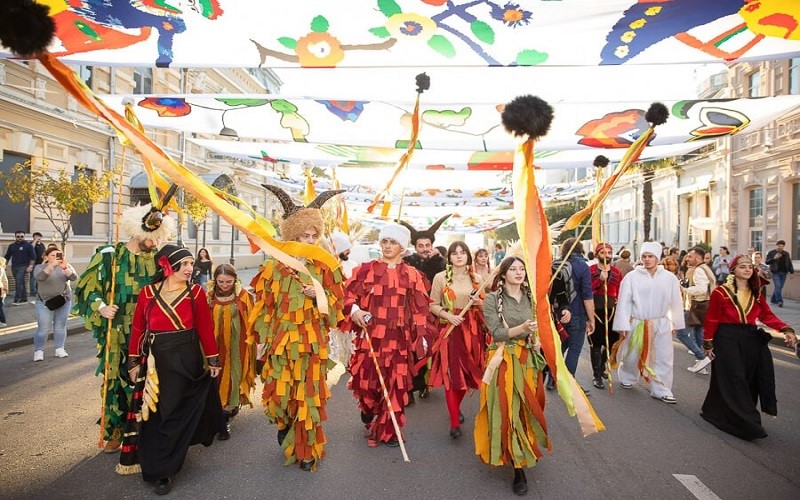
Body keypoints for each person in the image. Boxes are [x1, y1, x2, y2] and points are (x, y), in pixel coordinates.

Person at [251, 186, 345, 471]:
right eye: (305, 236)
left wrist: (319, 295)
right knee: (280, 396)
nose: (311, 241)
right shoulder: (273, 268)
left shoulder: (325, 267)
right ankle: (285, 425)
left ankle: (307, 451)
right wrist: (262, 340)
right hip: (280, 346)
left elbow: (337, 306)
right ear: (292, 236)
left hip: (311, 346)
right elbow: (263, 308)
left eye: (315, 235)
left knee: (308, 398)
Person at [73, 203, 173, 455]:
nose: (155, 244)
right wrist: (102, 307)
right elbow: (86, 289)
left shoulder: (157, 260)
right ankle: (115, 431)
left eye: (157, 239)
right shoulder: (109, 256)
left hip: (149, 332)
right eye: (152, 239)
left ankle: (144, 429)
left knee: (149, 378)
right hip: (117, 331)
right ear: (138, 233)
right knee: (116, 379)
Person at [128, 244, 225, 495]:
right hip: (156, 362)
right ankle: (159, 464)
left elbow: (205, 327)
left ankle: (167, 467)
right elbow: (138, 328)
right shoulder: (148, 293)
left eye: (191, 263)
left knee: (176, 410)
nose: (190, 268)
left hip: (187, 358)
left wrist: (213, 360)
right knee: (157, 412)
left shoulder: (196, 293)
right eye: (184, 264)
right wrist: (133, 362)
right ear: (167, 266)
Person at [343, 223, 432, 448]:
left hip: (399, 341)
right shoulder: (365, 270)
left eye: (393, 242)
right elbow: (348, 295)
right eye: (384, 241)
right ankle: (368, 407)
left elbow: (420, 309)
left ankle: (389, 430)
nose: (388, 246)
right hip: (370, 339)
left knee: (395, 384)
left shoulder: (412, 275)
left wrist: (421, 336)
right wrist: (355, 311)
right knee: (366, 383)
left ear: (402, 247)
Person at [700, 254, 797, 440]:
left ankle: (716, 410)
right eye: (742, 266)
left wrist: (786, 329)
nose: (747, 269)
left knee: (747, 378)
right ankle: (747, 422)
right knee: (734, 377)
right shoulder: (720, 292)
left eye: (750, 267)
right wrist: (708, 341)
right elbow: (712, 318)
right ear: (733, 270)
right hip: (726, 338)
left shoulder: (756, 292)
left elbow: (766, 315)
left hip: (750, 339)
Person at [474, 256, 546, 496]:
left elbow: (540, 327)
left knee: (525, 409)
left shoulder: (531, 297)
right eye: (513, 269)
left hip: (527, 362)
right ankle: (517, 467)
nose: (518, 272)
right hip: (503, 361)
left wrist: (537, 338)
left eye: (521, 269)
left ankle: (522, 448)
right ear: (503, 274)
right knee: (508, 410)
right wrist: (522, 328)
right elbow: (496, 333)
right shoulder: (492, 299)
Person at [612, 242, 685, 404]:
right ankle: (628, 376)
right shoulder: (632, 277)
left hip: (661, 323)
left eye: (650, 256)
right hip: (638, 322)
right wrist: (623, 324)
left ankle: (662, 389)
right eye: (644, 256)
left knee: (663, 357)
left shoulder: (670, 278)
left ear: (657, 258)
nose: (647, 259)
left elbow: (676, 301)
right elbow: (624, 302)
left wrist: (676, 322)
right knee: (632, 354)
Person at [428, 241, 486, 439]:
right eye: (455, 253)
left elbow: (485, 306)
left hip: (471, 331)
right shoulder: (440, 277)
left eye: (463, 252)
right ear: (449, 257)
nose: (459, 256)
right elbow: (432, 305)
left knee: (466, 375)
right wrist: (448, 316)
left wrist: (479, 302)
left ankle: (456, 407)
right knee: (452, 376)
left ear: (468, 256)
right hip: (450, 330)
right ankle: (454, 423)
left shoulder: (477, 278)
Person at [398, 215, 450, 402]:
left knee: (426, 349)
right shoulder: (406, 262)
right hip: (409, 314)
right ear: (415, 247)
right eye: (421, 246)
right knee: (408, 350)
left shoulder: (440, 263)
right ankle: (409, 389)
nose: (425, 249)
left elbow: (446, 283)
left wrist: (437, 261)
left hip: (431, 314)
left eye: (428, 245)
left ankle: (424, 383)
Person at [207, 263, 256, 441]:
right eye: (221, 281)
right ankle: (216, 411)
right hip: (215, 345)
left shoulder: (244, 296)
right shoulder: (209, 296)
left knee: (235, 375)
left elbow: (252, 320)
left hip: (237, 345)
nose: (225, 285)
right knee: (216, 376)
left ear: (235, 279)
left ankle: (227, 412)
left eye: (228, 281)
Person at [546, 238, 594, 391]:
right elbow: (587, 295)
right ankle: (568, 384)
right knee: (574, 348)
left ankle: (552, 378)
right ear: (580, 249)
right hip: (577, 312)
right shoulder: (583, 266)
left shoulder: (555, 264)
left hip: (557, 312)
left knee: (561, 345)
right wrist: (591, 319)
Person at [32, 246, 77, 361]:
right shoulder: (39, 267)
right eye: (53, 255)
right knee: (43, 328)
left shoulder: (66, 266)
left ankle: (59, 348)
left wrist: (65, 267)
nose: (56, 257)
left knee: (60, 326)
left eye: (58, 255)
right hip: (44, 302)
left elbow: (73, 278)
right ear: (46, 257)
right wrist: (51, 266)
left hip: (63, 301)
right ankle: (39, 350)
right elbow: (40, 278)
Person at [588, 242, 622, 390]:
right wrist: (599, 280)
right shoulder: (590, 270)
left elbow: (620, 292)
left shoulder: (617, 272)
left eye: (609, 252)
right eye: (603, 252)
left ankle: (602, 366)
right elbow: (587, 290)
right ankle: (596, 376)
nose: (606, 255)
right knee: (595, 344)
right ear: (597, 254)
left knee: (612, 342)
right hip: (595, 311)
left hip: (612, 311)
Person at [678, 247, 715, 375]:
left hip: (696, 306)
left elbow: (701, 289)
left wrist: (684, 289)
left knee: (681, 334)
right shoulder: (703, 268)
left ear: (698, 258)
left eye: (690, 256)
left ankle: (702, 357)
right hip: (703, 305)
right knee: (698, 332)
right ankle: (702, 365)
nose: (687, 258)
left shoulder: (699, 270)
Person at [4, 231, 36, 304]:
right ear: (15, 237)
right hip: (14, 266)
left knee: (18, 282)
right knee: (21, 282)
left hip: (24, 266)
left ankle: (17, 299)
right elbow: (7, 256)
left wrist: (30, 266)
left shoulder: (28, 245)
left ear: (24, 236)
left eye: (22, 236)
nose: (20, 238)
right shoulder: (12, 246)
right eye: (18, 236)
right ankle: (24, 299)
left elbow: (33, 257)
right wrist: (4, 265)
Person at [766, 240, 794, 308]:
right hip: (775, 272)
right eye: (779, 246)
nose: (780, 247)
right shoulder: (771, 252)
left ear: (784, 246)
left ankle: (773, 299)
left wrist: (791, 272)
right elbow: (767, 262)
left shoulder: (786, 253)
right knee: (778, 286)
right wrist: (774, 258)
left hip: (784, 273)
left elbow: (789, 263)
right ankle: (779, 301)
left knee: (779, 287)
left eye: (782, 246)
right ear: (776, 245)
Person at [29, 232, 45, 299]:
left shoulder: (42, 244)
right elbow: (31, 248)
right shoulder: (31, 243)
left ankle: (38, 291)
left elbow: (44, 253)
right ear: (34, 237)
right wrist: (35, 240)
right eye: (36, 236)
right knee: (33, 278)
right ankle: (33, 292)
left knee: (39, 278)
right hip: (33, 263)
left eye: (39, 236)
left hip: (41, 263)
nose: (38, 238)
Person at [0, 257, 7, 327]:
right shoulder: (2, 269)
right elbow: (5, 281)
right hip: (2, 289)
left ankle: (2, 321)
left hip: (1, 289)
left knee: (0, 306)